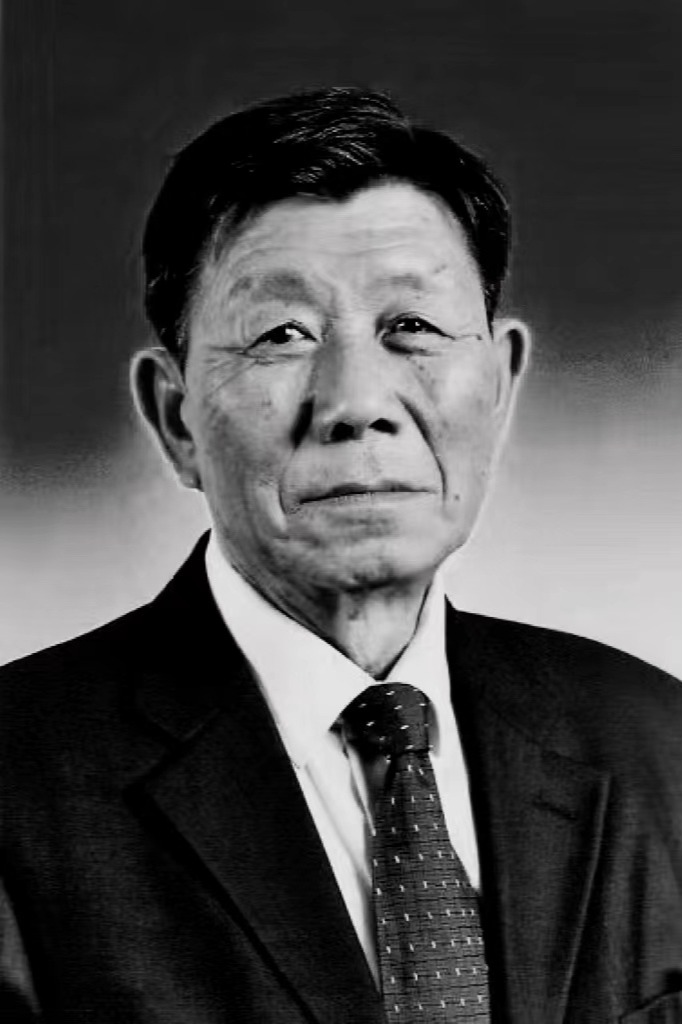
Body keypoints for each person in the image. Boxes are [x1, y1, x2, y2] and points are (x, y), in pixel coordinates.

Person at [0, 87, 679, 1024]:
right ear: (175, 418)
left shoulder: (657, 744)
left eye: (413, 327)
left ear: (501, 384)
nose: (357, 401)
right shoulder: (18, 785)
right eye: (280, 335)